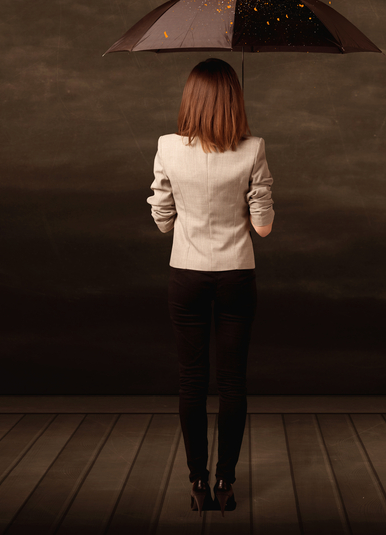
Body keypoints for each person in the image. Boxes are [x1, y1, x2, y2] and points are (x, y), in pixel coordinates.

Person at [147, 57, 274, 516]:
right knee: (233, 382)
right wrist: (252, 196)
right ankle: (226, 482)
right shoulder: (254, 147)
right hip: (237, 275)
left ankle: (197, 480)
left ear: (191, 100)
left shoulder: (166, 146)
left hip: (186, 275)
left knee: (192, 381)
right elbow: (262, 227)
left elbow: (162, 222)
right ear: (234, 101)